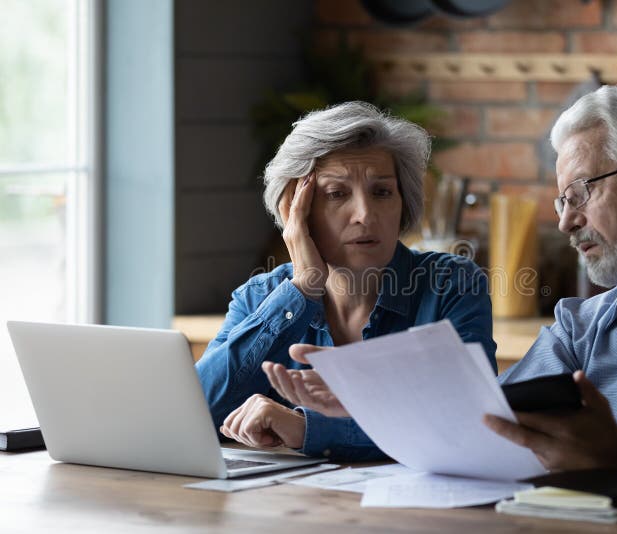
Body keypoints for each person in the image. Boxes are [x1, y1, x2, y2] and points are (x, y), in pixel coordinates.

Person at [274, 85, 617, 486]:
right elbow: (488, 425)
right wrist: (378, 404)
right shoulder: (578, 329)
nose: (567, 222)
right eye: (561, 202)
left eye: (579, 194)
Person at [195, 101, 496, 462]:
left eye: (382, 192)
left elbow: (470, 422)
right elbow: (192, 414)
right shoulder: (261, 297)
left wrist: (307, 429)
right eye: (337, 194)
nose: (365, 215)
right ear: (296, 211)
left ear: (404, 203)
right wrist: (303, 288)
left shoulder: (452, 285)